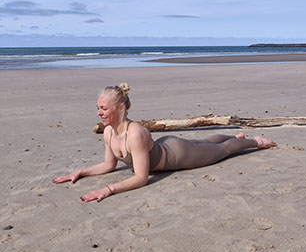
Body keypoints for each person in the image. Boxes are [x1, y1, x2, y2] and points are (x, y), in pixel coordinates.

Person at [53, 83, 276, 202]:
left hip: (178, 155)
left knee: (221, 150)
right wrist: (81, 172)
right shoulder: (108, 132)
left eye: (103, 108)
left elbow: (141, 178)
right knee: (205, 141)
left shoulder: (135, 133)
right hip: (169, 144)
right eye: (98, 108)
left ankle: (254, 141)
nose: (99, 113)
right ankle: (235, 136)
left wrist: (109, 189)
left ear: (120, 108)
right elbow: (108, 165)